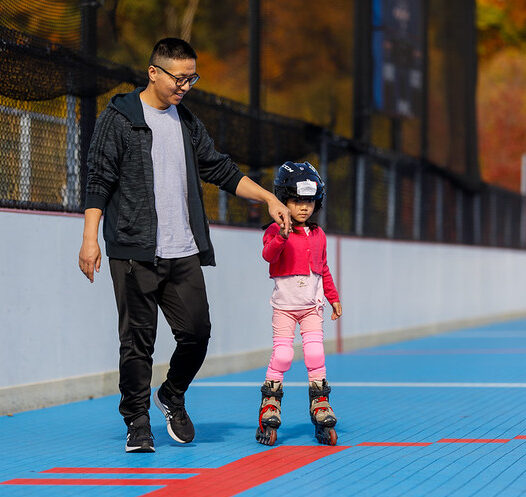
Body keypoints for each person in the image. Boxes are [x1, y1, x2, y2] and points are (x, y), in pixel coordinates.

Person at [78, 37, 291, 453]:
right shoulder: (120, 117)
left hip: (183, 250)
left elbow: (221, 169)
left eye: (192, 78)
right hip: (133, 248)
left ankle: (171, 395)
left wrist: (268, 198)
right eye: (179, 77)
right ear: (153, 72)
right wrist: (90, 240)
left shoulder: (187, 122)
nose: (185, 86)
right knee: (137, 341)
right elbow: (98, 178)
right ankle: (137, 421)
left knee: (197, 332)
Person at [256, 161, 342, 446]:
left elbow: (323, 269)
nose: (303, 207)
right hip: (284, 306)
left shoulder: (318, 235)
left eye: (308, 201)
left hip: (311, 307)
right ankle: (270, 401)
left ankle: (320, 402)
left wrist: (333, 298)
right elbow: (268, 256)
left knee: (315, 353)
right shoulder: (274, 230)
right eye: (296, 201)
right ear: (283, 200)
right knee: (283, 356)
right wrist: (281, 235)